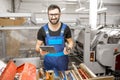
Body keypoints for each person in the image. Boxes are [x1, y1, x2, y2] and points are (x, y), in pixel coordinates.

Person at [35, 4, 74, 71]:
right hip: (49, 64)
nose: (53, 17)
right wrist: (41, 50)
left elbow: (70, 42)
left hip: (62, 63)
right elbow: (37, 47)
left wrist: (69, 49)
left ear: (60, 14)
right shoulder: (42, 30)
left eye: (56, 14)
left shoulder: (66, 28)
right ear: (48, 15)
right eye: (51, 14)